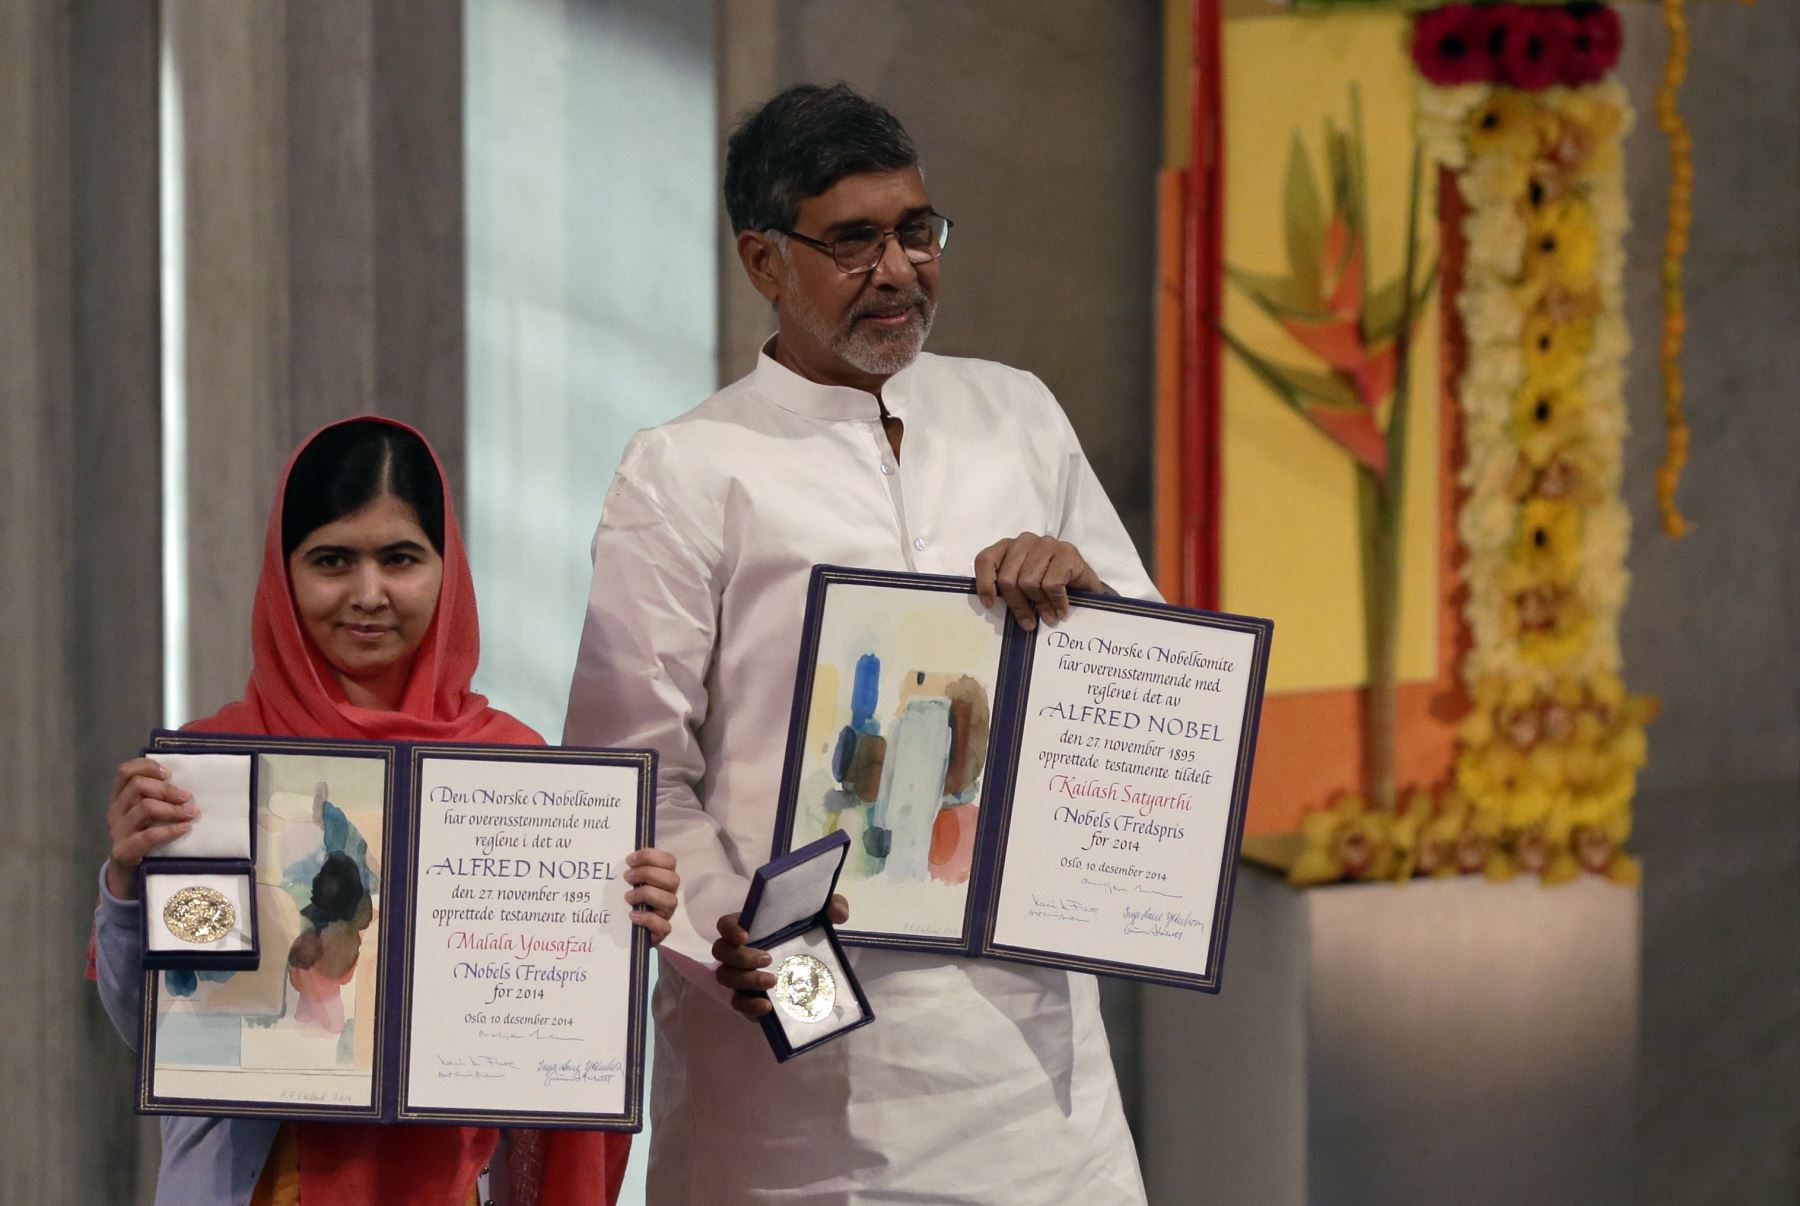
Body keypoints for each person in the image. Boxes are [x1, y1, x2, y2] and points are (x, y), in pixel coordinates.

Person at [565, 83, 1153, 1204]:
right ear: (763, 260)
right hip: (796, 1072)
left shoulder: (1014, 412)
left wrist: (1086, 595)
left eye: (917, 231)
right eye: (853, 241)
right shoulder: (689, 468)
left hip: (1034, 1084)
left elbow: (1154, 700)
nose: (899, 270)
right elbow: (630, 773)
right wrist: (726, 930)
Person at [92, 417, 681, 1206]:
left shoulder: (513, 771)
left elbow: (546, 1026)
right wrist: (129, 882)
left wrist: (619, 919)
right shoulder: (216, 769)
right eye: (332, 560)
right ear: (284, 570)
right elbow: (163, 1027)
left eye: (400, 559)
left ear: (447, 568)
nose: (368, 595)